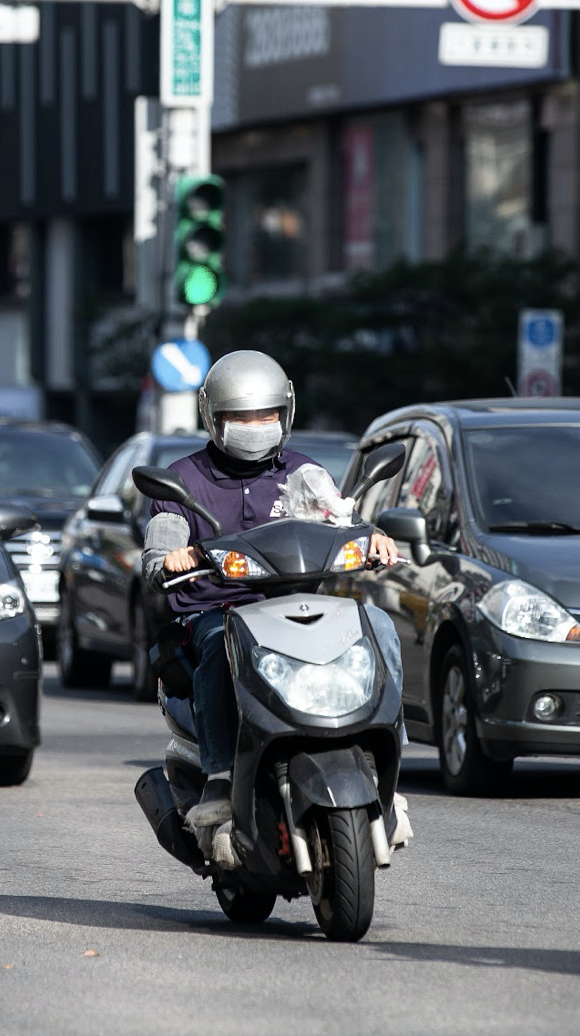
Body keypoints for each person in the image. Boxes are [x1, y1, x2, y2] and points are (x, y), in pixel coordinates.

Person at [141, 350, 400, 828]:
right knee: (223, 643)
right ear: (212, 417)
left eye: (266, 414)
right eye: (240, 415)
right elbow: (160, 550)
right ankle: (219, 775)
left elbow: (341, 519)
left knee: (378, 624)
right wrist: (169, 559)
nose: (255, 424)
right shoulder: (182, 480)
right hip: (217, 613)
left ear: (286, 412)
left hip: (299, 608)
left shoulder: (303, 472)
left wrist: (373, 537)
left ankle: (382, 760)